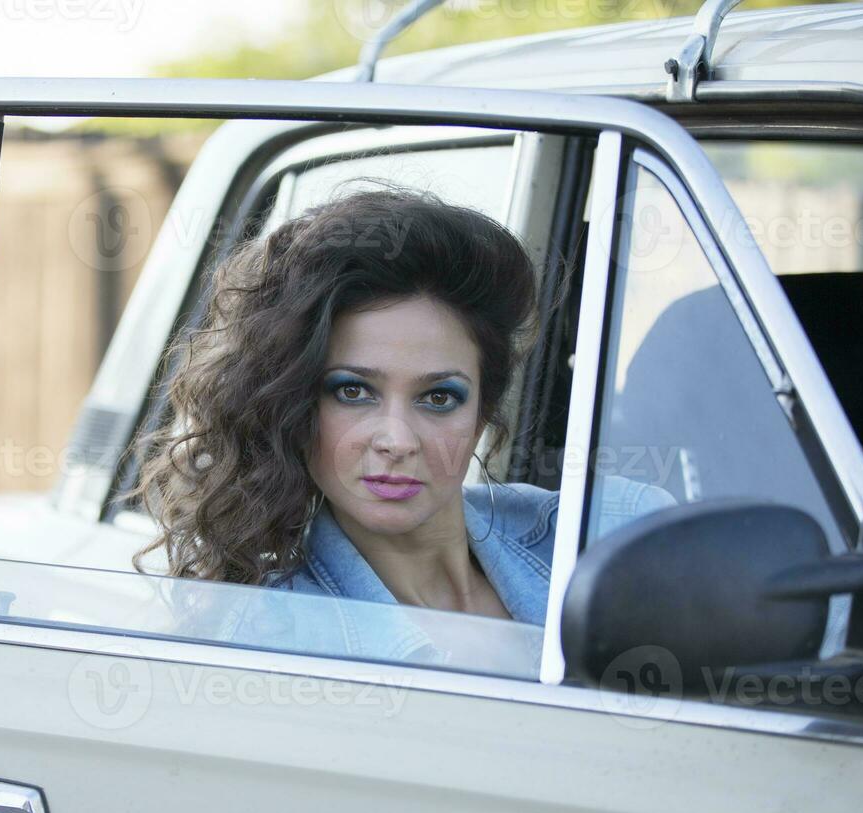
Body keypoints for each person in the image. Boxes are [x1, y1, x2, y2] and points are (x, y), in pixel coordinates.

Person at [125, 186, 673, 663]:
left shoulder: (606, 536)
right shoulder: (266, 636)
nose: (396, 441)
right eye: (353, 392)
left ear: (483, 407)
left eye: (438, 397)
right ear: (294, 406)